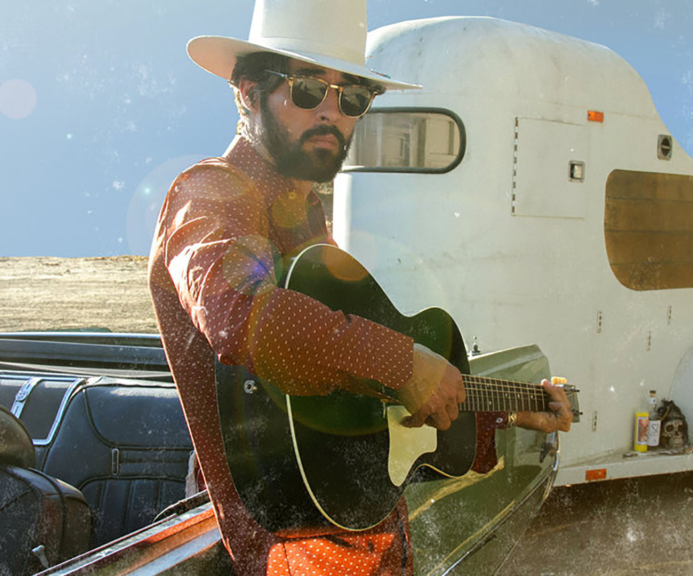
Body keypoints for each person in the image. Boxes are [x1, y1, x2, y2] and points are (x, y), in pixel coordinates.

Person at [148, 1, 573, 574]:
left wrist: (513, 410)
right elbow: (242, 316)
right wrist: (403, 363)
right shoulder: (212, 193)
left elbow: (355, 399)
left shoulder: (305, 215)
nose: (332, 113)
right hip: (296, 552)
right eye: (307, 90)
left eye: (352, 99)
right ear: (248, 93)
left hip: (367, 538)